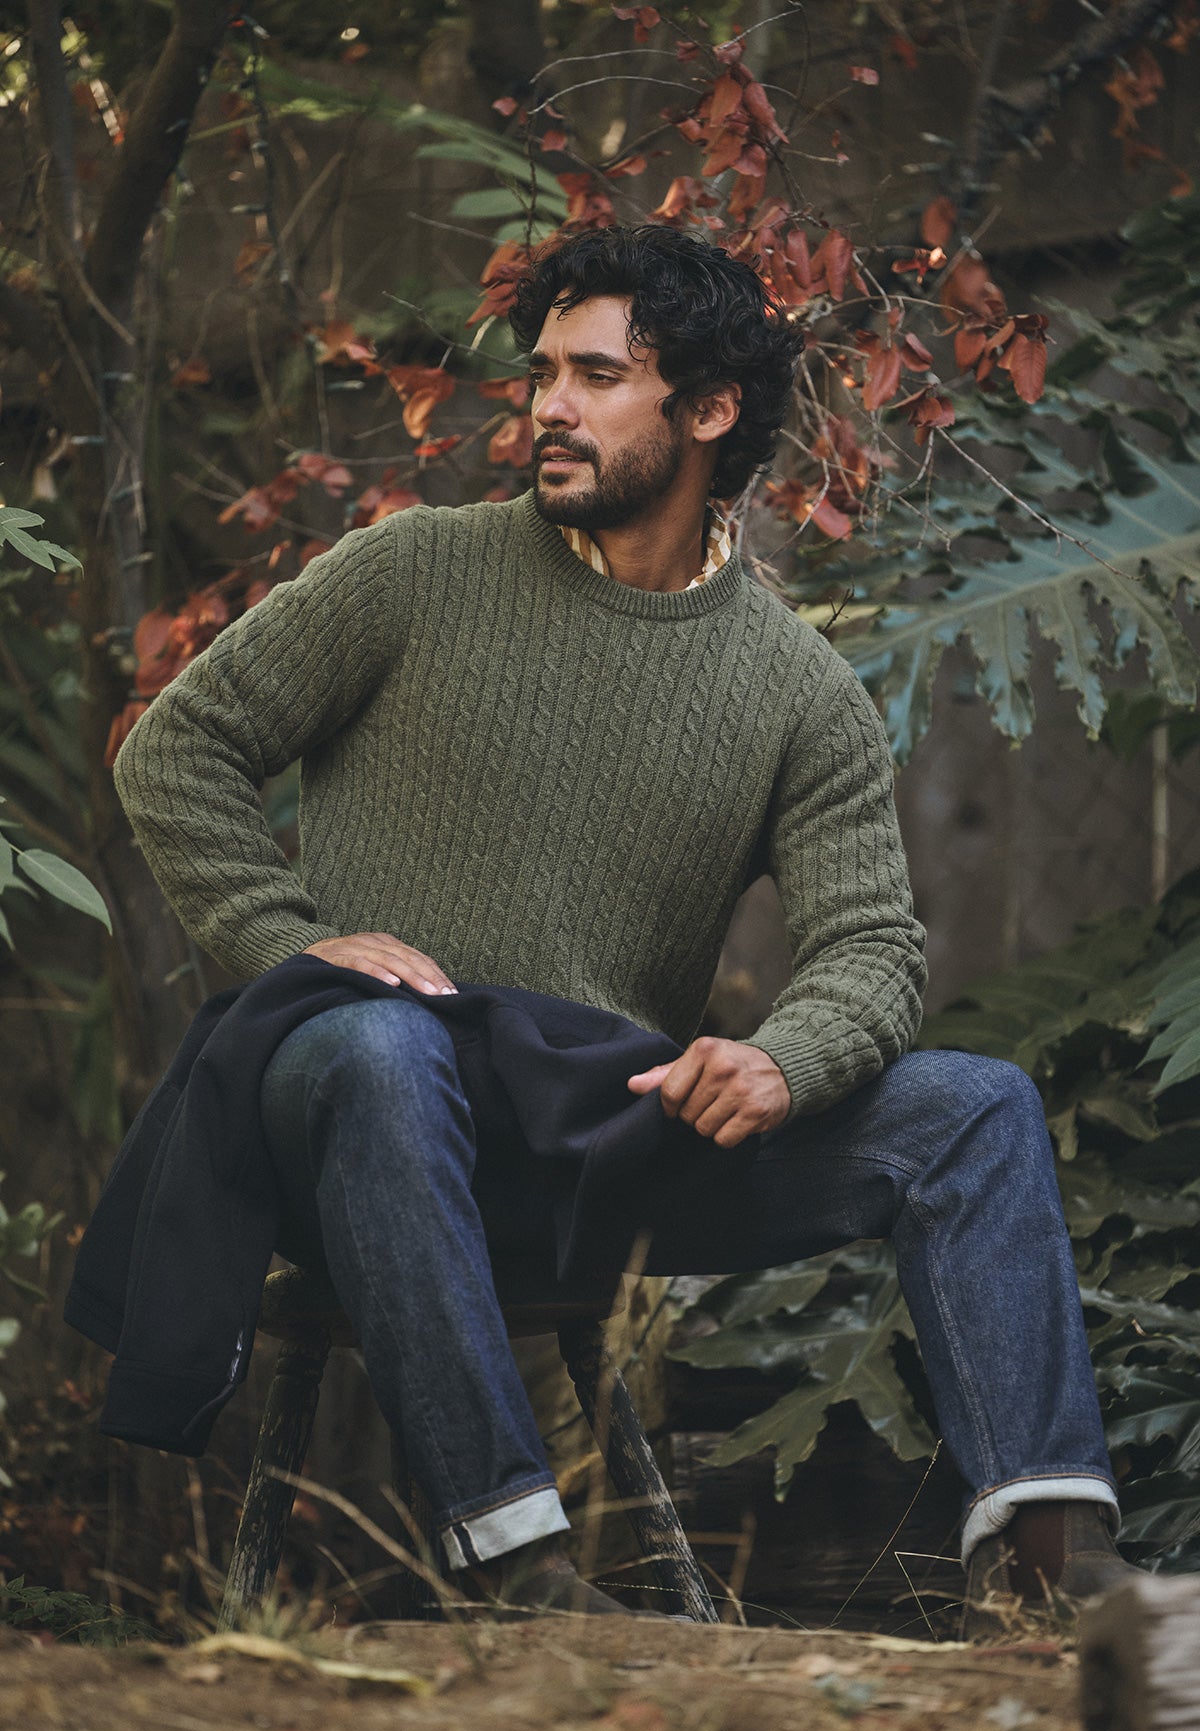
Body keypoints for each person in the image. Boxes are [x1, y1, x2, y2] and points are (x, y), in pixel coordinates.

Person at [112, 224, 1127, 1623]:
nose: (548, 407)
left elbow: (874, 951)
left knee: (976, 1109)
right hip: (355, 1130)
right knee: (376, 1052)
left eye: (596, 376)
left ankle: (1062, 1583)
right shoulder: (414, 574)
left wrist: (785, 1059)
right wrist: (284, 935)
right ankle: (526, 1575)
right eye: (544, 375)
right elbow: (179, 751)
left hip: (596, 1145)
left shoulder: (796, 690)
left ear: (709, 410)